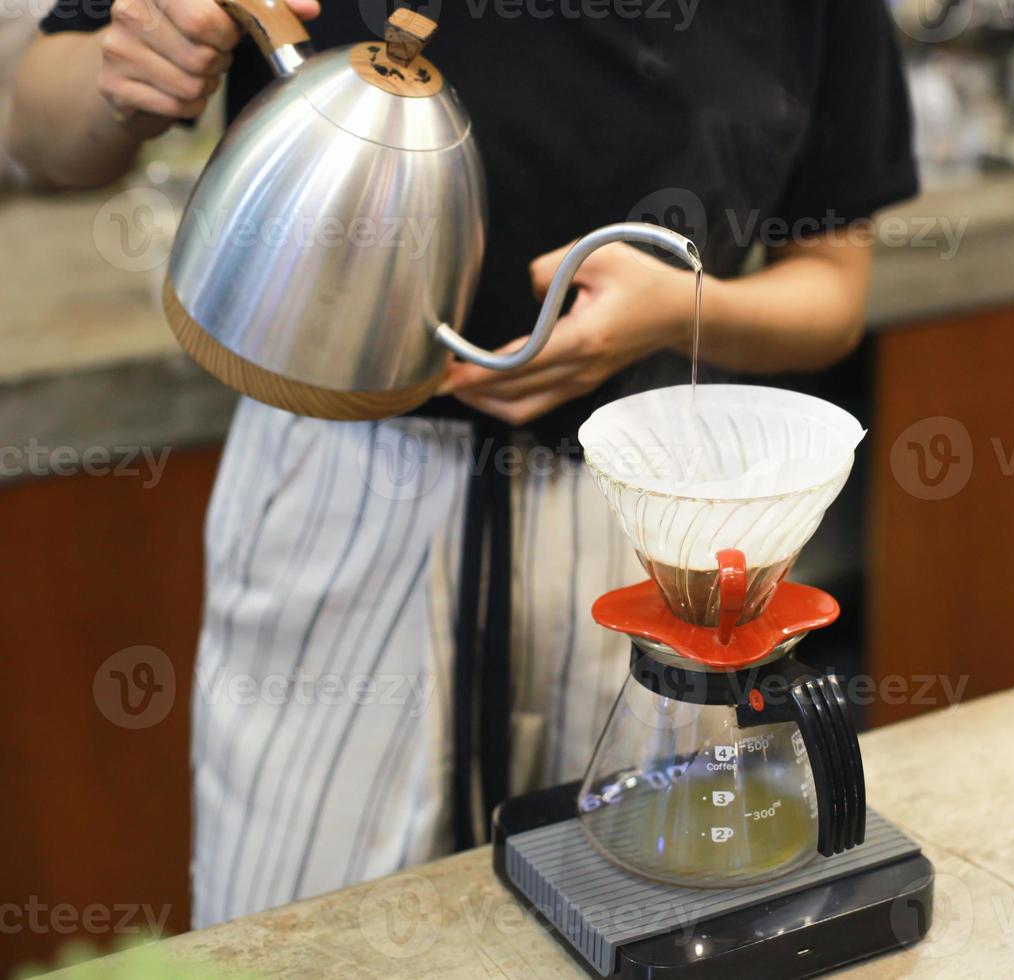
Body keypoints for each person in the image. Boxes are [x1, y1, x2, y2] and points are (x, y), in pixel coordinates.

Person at [7, 0, 917, 926]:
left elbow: (833, 288)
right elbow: (37, 127)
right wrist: (127, 76)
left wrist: (681, 309)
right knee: (309, 933)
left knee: (630, 909)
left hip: (652, 519)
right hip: (342, 483)